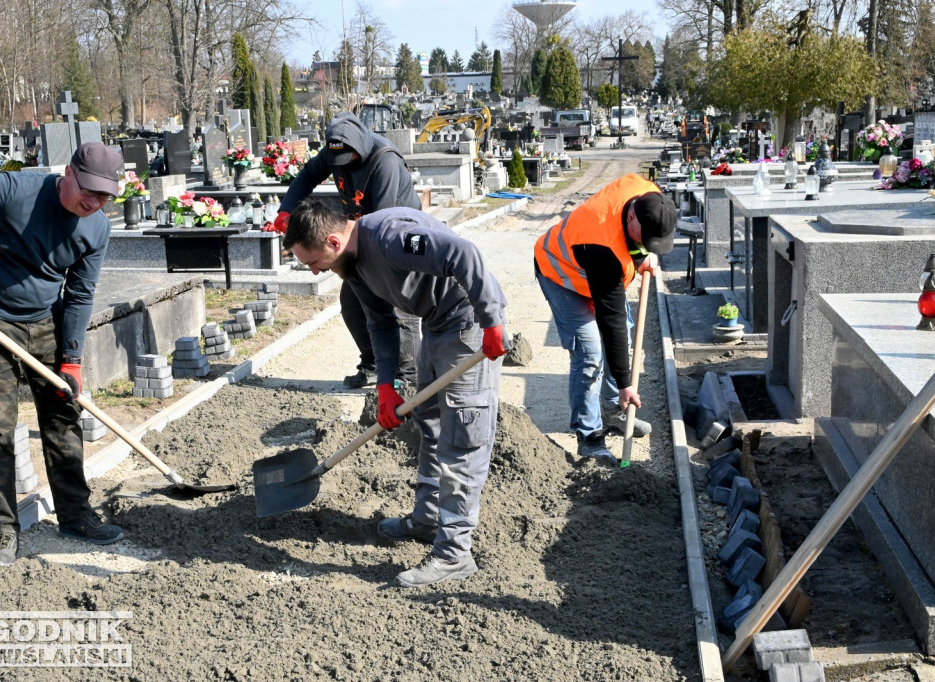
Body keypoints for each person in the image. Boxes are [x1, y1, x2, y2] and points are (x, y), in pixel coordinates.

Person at [283, 199, 507, 588]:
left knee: (463, 439)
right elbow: (381, 323)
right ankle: (428, 520)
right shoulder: (351, 265)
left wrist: (491, 322)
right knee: (431, 425)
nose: (314, 270)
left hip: (469, 326)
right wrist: (386, 384)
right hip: (435, 326)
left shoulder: (390, 238)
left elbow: (463, 253)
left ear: (333, 242)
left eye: (313, 262)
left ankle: (454, 554)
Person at [0, 142, 126, 568]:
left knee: (63, 417)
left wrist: (71, 359)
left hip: (48, 324)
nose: (93, 203)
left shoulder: (96, 229)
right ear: (68, 173)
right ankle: (1, 529)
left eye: (104, 197)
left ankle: (76, 515)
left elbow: (80, 293)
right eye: (88, 191)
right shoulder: (16, 190)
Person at [534, 173, 676, 463]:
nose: (649, 244)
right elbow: (610, 322)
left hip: (593, 268)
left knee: (624, 334)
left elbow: (633, 241)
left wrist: (642, 254)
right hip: (560, 272)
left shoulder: (649, 194)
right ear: (632, 216)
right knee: (590, 353)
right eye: (646, 238)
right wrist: (626, 384)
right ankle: (589, 436)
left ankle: (613, 411)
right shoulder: (601, 245)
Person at [275, 111, 421, 388]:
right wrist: (286, 209)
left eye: (348, 158)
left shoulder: (385, 160)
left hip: (394, 236)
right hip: (356, 235)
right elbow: (308, 175)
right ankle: (373, 363)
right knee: (353, 303)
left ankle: (408, 378)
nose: (343, 164)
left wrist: (367, 262)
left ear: (359, 144)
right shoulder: (335, 150)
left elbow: (384, 217)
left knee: (398, 308)